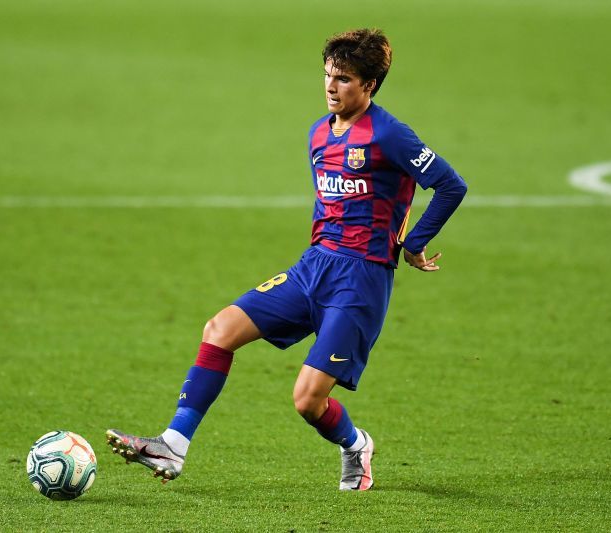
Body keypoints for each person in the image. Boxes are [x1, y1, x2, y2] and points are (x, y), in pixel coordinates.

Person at [106, 28, 467, 491]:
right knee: (218, 330)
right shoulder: (318, 133)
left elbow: (450, 184)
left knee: (307, 400)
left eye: (344, 80)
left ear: (370, 86)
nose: (332, 87)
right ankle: (173, 445)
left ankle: (356, 445)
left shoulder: (390, 135)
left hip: (360, 282)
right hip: (313, 268)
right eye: (328, 76)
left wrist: (413, 242)